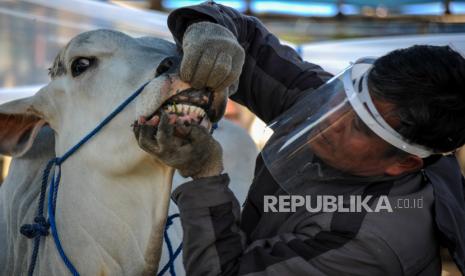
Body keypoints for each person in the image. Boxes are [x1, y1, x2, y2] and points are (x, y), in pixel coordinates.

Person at [135, 1, 465, 275]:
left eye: (361, 128)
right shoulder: (332, 104)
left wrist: (206, 175)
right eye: (347, 96)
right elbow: (246, 37)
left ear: (403, 162)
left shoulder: (372, 241)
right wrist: (213, 34)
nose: (332, 119)